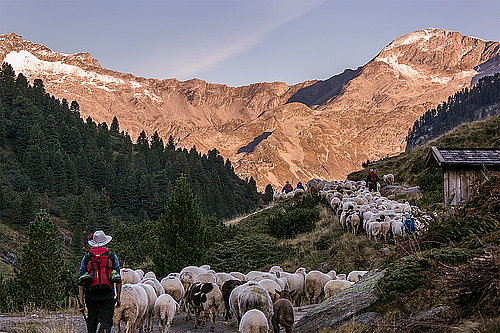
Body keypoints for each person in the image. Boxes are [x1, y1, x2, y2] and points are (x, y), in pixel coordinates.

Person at [78, 230, 122, 333]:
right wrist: (118, 298)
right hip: (107, 295)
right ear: (105, 242)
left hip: (91, 295)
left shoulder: (87, 257)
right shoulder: (111, 257)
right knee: (106, 322)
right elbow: (118, 279)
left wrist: (81, 300)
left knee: (92, 320)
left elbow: (81, 280)